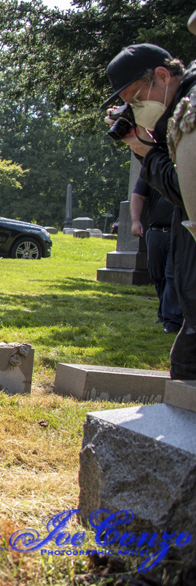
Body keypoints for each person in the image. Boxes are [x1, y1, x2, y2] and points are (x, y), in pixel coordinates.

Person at [103, 43, 196, 380]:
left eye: (136, 99)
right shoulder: (178, 114)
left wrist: (142, 148)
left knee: (187, 372)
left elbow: (184, 188)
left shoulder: (190, 110)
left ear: (161, 76)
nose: (134, 108)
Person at [131, 176, 183, 333]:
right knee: (157, 275)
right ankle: (164, 315)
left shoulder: (183, 168)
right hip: (155, 232)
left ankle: (172, 321)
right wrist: (135, 221)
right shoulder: (153, 169)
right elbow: (138, 195)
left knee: (172, 275)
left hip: (179, 233)